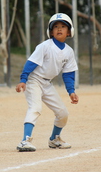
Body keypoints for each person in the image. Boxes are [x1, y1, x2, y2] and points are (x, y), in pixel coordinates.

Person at [15, 13, 79, 152]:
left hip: (46, 84)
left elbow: (68, 74)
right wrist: (23, 80)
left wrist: (71, 91)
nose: (59, 29)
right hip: (34, 81)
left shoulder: (69, 52)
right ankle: (25, 140)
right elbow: (31, 63)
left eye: (63, 26)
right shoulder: (45, 46)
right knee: (36, 108)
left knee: (63, 113)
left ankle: (54, 139)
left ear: (69, 32)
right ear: (51, 32)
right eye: (55, 27)